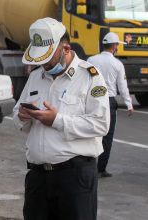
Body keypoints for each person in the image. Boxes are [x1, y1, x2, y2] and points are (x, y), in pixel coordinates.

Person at [13, 17, 110, 220]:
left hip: (74, 178)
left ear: (65, 49)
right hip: (38, 179)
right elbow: (17, 114)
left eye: (47, 59)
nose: (43, 65)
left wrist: (56, 120)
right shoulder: (35, 77)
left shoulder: (90, 76)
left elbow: (101, 124)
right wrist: (22, 116)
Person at [87, 32, 134, 178]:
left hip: (92, 99)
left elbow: (85, 80)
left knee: (89, 132)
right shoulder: (117, 64)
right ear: (114, 46)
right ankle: (100, 169)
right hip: (109, 100)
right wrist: (129, 103)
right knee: (107, 136)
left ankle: (87, 165)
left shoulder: (91, 60)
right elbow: (122, 86)